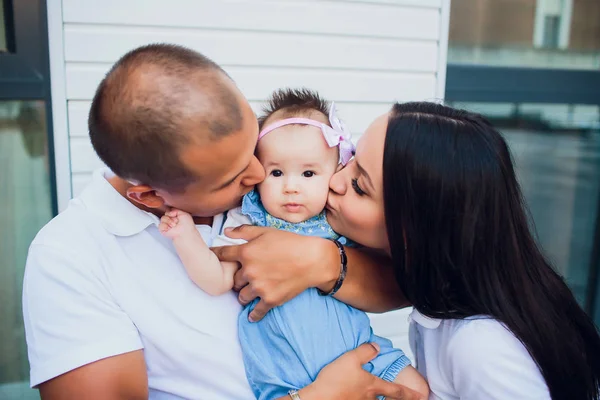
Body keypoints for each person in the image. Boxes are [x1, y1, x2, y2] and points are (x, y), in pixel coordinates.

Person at [22, 43, 423, 400]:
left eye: (254, 147)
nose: (258, 174)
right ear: (150, 196)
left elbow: (406, 286)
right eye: (232, 177)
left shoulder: (279, 198)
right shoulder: (69, 258)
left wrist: (326, 264)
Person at [217, 101, 600, 399]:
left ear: (413, 230)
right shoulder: (440, 296)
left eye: (360, 186)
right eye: (349, 161)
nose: (334, 181)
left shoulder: (482, 347)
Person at [159, 88, 429, 400]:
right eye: (276, 172)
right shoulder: (246, 222)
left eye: (308, 173)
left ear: (335, 172)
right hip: (288, 376)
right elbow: (216, 279)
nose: (291, 187)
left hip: (358, 349)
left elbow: (390, 276)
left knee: (416, 390)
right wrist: (185, 237)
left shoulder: (335, 220)